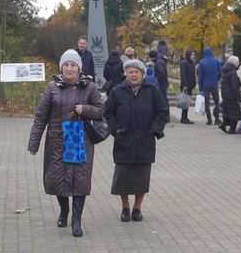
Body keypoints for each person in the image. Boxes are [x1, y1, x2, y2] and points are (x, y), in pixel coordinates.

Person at [28, 49, 104, 237]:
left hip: (80, 140)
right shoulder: (52, 88)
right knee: (57, 180)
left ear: (79, 68)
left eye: (73, 65)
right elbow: (40, 117)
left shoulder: (90, 87)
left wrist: (85, 109)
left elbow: (101, 110)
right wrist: (34, 143)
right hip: (57, 141)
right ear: (61, 67)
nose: (69, 69)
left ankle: (76, 221)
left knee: (80, 181)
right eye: (66, 65)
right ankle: (64, 210)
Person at [104, 59, 169, 223]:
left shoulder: (152, 90)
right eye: (130, 72)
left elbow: (162, 112)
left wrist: (155, 129)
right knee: (122, 179)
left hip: (144, 140)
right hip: (123, 140)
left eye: (136, 72)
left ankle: (137, 208)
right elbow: (108, 112)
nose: (133, 75)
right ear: (126, 73)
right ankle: (125, 207)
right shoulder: (117, 91)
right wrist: (115, 129)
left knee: (142, 178)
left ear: (142, 74)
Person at [197, 47, 222, 125]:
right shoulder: (216, 61)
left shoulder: (202, 62)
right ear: (211, 52)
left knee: (207, 103)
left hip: (205, 85)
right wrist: (217, 79)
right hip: (214, 84)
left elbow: (200, 76)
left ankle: (209, 120)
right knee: (216, 102)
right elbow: (220, 72)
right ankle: (217, 119)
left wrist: (200, 87)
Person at [219, 56, 241, 134]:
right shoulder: (233, 72)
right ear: (234, 63)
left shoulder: (225, 70)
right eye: (238, 62)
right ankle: (232, 129)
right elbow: (235, 86)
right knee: (235, 111)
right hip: (232, 95)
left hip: (225, 94)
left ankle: (223, 124)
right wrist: (238, 97)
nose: (239, 63)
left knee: (228, 111)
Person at [179, 49, 196, 124]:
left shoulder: (191, 63)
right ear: (188, 55)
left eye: (194, 55)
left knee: (187, 102)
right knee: (185, 101)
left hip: (190, 85)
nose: (193, 56)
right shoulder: (184, 63)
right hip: (186, 86)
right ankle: (184, 118)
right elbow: (183, 75)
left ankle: (184, 117)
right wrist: (185, 85)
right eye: (192, 55)